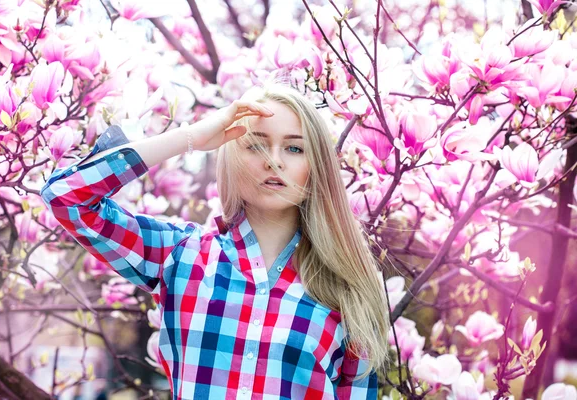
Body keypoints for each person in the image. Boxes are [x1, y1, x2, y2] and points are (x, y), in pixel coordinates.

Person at [40, 83, 390, 399]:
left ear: (316, 166)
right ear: (231, 156)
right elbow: (66, 198)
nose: (274, 161)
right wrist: (191, 138)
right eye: (255, 145)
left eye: (295, 149)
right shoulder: (180, 257)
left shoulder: (347, 290)